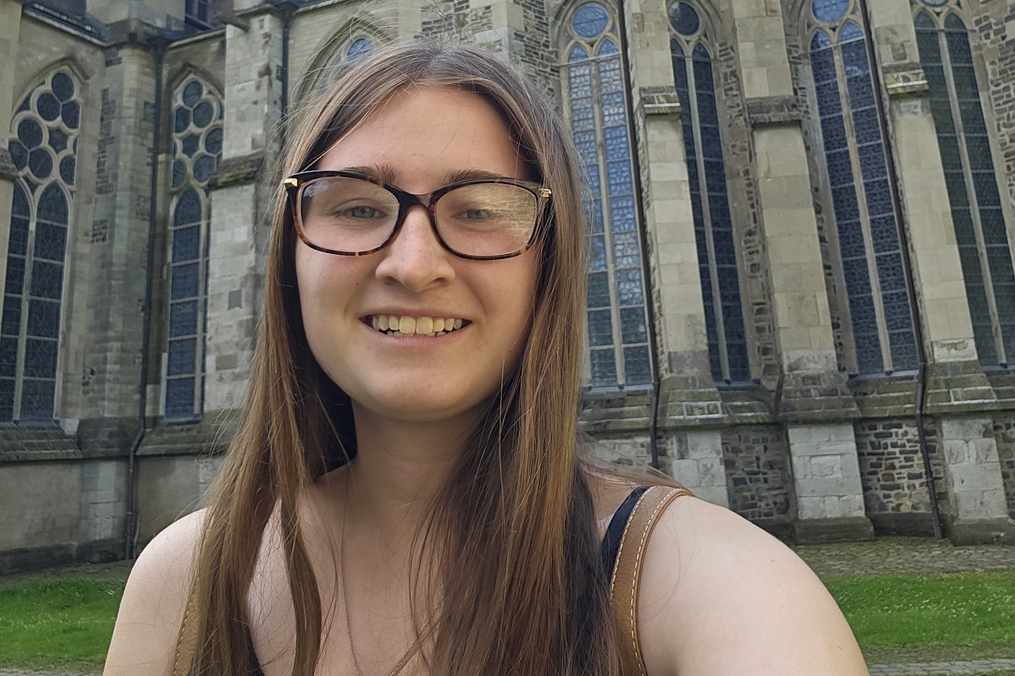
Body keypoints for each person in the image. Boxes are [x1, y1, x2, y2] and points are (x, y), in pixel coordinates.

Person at [103, 42, 871, 676]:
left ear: (549, 266)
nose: (411, 263)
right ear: (288, 258)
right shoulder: (189, 580)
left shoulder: (702, 585)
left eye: (479, 211)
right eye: (357, 205)